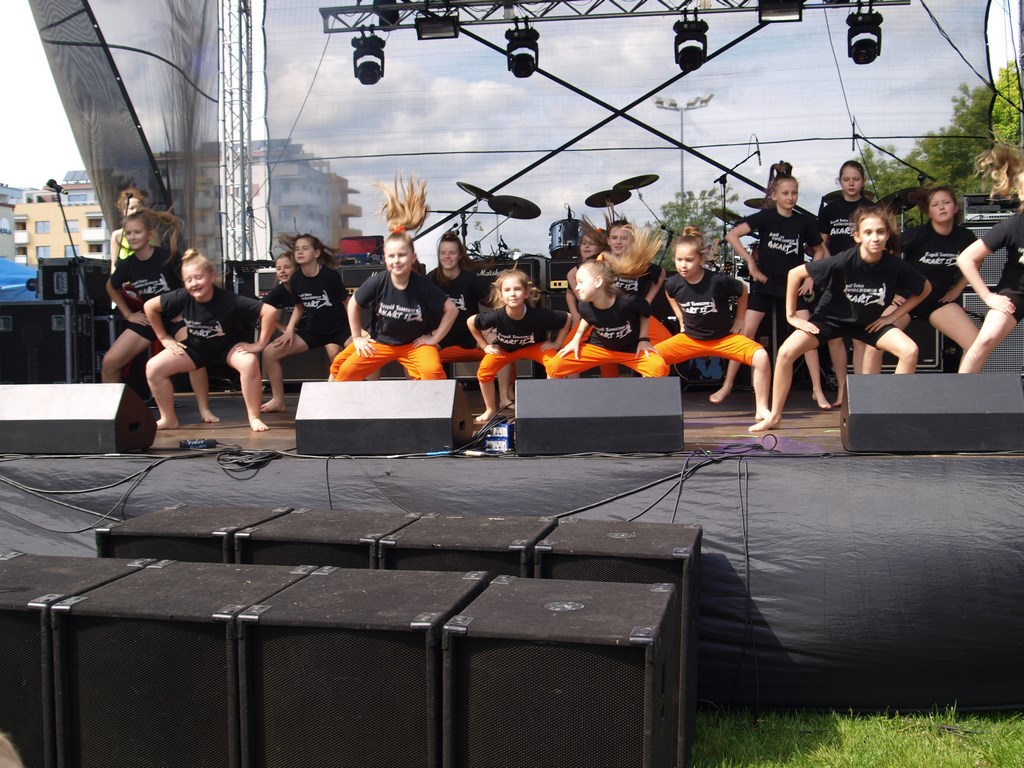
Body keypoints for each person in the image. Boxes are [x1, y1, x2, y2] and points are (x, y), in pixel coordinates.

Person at [750, 206, 931, 432]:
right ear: (857, 236)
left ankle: (892, 416)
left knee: (909, 351)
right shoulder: (844, 260)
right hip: (829, 321)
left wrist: (893, 316)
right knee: (786, 352)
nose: (875, 238)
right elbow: (795, 274)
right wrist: (791, 316)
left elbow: (925, 288)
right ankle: (774, 417)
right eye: (868, 232)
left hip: (867, 323)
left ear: (887, 235)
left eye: (880, 232)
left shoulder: (894, 265)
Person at [721, 165, 830, 409]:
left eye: (794, 193)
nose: (790, 197)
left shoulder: (804, 222)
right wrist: (750, 262)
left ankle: (817, 390)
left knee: (809, 335)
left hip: (792, 287)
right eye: (785, 193)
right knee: (746, 334)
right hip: (765, 284)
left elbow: (820, 250)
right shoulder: (766, 217)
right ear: (774, 195)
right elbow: (732, 235)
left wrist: (810, 277)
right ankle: (728, 384)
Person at [329, 175, 458, 381]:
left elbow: (451, 310)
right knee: (343, 371)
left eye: (402, 255)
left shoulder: (422, 285)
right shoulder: (378, 281)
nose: (396, 260)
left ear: (413, 257)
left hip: (413, 346)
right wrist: (357, 337)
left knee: (432, 372)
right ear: (385, 258)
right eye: (391, 256)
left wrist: (434, 338)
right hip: (380, 343)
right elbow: (353, 304)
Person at [144, 249, 277, 432]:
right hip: (196, 348)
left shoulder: (229, 299)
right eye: (189, 280)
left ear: (212, 276)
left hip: (228, 348)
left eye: (198, 278)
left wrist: (260, 344)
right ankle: (168, 419)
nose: (194, 283)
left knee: (249, 363)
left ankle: (254, 417)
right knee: (153, 367)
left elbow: (269, 312)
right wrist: (163, 337)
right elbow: (149, 307)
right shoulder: (182, 296)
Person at [100, 208, 214, 420]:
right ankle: (112, 416)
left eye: (137, 232)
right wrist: (128, 314)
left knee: (194, 354)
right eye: (129, 233)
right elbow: (111, 286)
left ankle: (204, 410)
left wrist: (187, 311)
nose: (133, 237)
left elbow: (192, 283)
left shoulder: (166, 257)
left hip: (177, 317)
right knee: (110, 362)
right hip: (150, 319)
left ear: (149, 234)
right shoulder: (127, 264)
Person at [655, 227, 771, 422]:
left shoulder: (717, 281)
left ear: (701, 259)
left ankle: (761, 408)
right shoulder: (673, 283)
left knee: (761, 357)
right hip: (690, 339)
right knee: (651, 359)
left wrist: (740, 319)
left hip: (723, 339)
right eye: (679, 260)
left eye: (689, 260)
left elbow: (742, 289)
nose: (683, 265)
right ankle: (659, 411)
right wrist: (680, 317)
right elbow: (669, 293)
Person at [860, 185, 978, 372]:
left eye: (946, 202)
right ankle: (869, 391)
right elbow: (879, 253)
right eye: (935, 204)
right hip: (903, 299)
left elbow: (977, 259)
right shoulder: (918, 234)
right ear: (928, 211)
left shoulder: (965, 236)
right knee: (875, 343)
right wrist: (887, 292)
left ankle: (963, 389)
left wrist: (958, 287)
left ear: (955, 207)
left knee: (976, 344)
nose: (941, 207)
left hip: (936, 302)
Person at [548, 229, 670, 379]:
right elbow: (587, 316)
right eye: (614, 237)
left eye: (581, 282)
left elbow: (644, 311)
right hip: (601, 346)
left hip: (629, 345)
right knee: (555, 365)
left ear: (599, 281)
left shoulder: (628, 300)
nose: (577, 287)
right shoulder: (585, 302)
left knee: (659, 366)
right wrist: (575, 340)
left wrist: (643, 339)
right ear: (608, 240)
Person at [468, 269, 571, 423]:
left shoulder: (538, 315)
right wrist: (484, 346)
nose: (513, 294)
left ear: (526, 293)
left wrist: (557, 343)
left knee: (556, 365)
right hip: (505, 349)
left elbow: (567, 317)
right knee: (484, 372)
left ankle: (552, 408)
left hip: (535, 347)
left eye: (517, 289)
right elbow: (470, 322)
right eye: (507, 290)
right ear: (501, 295)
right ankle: (490, 409)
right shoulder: (496, 315)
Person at [260, 234, 349, 412]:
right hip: (313, 331)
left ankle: (362, 399)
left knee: (368, 351)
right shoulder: (296, 279)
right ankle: (278, 401)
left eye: (305, 248)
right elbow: (299, 307)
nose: (300, 252)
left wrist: (358, 331)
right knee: (269, 353)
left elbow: (347, 303)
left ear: (316, 253)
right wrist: (289, 330)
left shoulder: (330, 275)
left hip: (339, 329)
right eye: (297, 249)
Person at [958, 144, 1024, 372]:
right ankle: (960, 394)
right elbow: (966, 259)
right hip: (1015, 294)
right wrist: (987, 297)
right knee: (984, 341)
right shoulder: (1011, 226)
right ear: (1021, 193)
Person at [425, 231, 513, 402]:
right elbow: (420, 308)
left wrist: (492, 325)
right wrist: (428, 332)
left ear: (459, 255)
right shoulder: (431, 279)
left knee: (504, 348)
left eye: (452, 252)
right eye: (443, 253)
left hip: (471, 334)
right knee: (419, 354)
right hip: (443, 335)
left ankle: (504, 398)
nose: (447, 256)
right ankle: (432, 402)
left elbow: (497, 301)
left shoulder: (470, 280)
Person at [818, 161, 874, 404]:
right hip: (837, 276)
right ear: (839, 181)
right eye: (846, 179)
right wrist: (830, 263)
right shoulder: (830, 210)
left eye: (856, 179)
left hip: (864, 278)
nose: (851, 184)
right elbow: (820, 243)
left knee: (861, 336)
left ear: (863, 181)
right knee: (834, 336)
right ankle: (842, 389)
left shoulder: (871, 209)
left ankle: (858, 392)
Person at [108, 186, 148, 270]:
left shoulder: (151, 233)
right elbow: (114, 265)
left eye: (139, 208)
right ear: (123, 211)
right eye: (132, 208)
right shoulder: (118, 235)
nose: (135, 211)